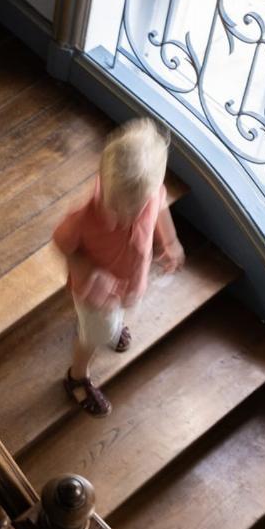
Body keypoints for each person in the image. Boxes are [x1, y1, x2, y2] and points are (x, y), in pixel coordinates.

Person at [51, 119, 185, 416]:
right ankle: (77, 376)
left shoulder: (148, 195)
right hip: (95, 295)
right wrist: (88, 273)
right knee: (93, 336)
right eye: (114, 209)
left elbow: (160, 204)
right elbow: (63, 245)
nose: (124, 219)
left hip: (128, 284)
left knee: (115, 317)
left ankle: (113, 326)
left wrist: (170, 241)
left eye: (133, 211)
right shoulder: (83, 217)